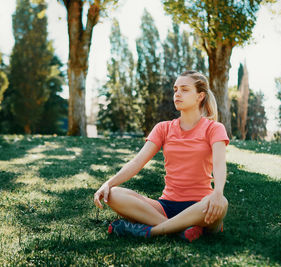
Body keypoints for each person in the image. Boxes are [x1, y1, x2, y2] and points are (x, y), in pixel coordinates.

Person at [93, 70, 229, 242]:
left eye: (184, 89)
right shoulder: (163, 128)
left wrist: (217, 193)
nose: (177, 93)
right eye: (175, 89)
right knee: (112, 194)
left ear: (200, 96)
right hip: (165, 206)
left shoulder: (214, 128)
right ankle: (180, 230)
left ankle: (151, 231)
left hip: (200, 206)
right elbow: (137, 162)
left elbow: (219, 164)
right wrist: (108, 183)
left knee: (222, 203)